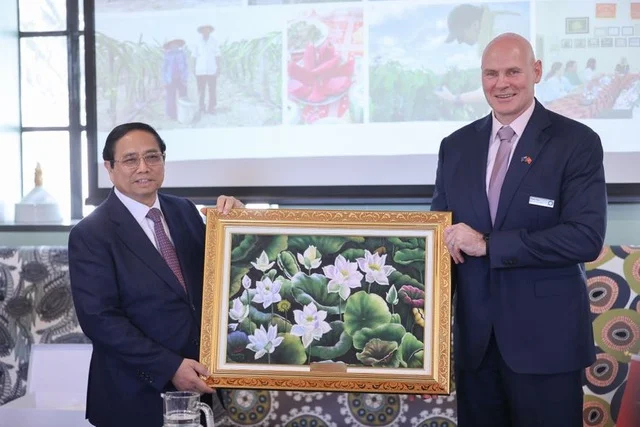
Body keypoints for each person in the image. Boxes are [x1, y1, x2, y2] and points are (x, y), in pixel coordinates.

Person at [431, 33, 606, 426]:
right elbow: (441, 239)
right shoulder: (455, 146)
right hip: (476, 348)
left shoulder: (576, 142)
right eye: (491, 73)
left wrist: (489, 245)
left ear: (537, 71)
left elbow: (585, 236)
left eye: (513, 71)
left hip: (547, 347)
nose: (502, 83)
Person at [68, 122, 244, 427]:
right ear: (109, 168)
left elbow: (219, 280)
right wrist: (170, 366)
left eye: (152, 157)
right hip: (131, 396)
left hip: (197, 389)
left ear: (163, 160)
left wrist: (239, 227)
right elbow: (101, 320)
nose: (143, 168)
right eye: (130, 159)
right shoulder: (91, 233)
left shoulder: (185, 211)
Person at [435, 4, 522, 108]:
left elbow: (497, 89)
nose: (459, 41)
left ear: (475, 25)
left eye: (460, 35)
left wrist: (455, 99)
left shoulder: (497, 37)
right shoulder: (498, 23)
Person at [193, 24, 221, 115]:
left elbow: (218, 55)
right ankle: (201, 107)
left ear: (209, 31)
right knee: (201, 90)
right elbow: (194, 56)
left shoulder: (214, 41)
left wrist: (218, 67)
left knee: (212, 89)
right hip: (200, 70)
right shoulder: (197, 42)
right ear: (201, 32)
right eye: (203, 30)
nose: (205, 32)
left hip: (211, 69)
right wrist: (193, 69)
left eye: (207, 30)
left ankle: (211, 107)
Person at [162, 38, 189, 121]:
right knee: (170, 97)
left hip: (181, 78)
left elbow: (186, 66)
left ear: (178, 45)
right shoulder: (167, 55)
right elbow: (164, 69)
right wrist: (165, 80)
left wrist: (185, 77)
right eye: (172, 44)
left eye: (176, 44)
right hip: (170, 79)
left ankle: (184, 114)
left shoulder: (182, 54)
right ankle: (171, 115)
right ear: (169, 46)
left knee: (183, 97)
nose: (174, 46)